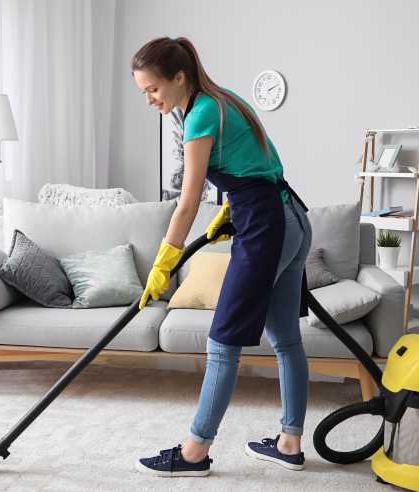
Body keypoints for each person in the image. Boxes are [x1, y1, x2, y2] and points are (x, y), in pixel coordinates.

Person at [131, 37, 313, 477]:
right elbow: (261, 165)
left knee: (221, 344)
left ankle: (194, 454)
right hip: (293, 218)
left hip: (268, 228)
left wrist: (163, 264)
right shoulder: (222, 98)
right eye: (143, 93)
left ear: (178, 77)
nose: (150, 100)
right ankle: (289, 442)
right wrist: (232, 207)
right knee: (286, 339)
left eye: (153, 89)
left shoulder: (199, 115)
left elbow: (187, 203)